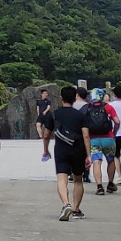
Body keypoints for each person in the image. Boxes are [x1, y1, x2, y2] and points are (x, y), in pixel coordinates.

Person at [42, 86, 97, 221]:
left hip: (61, 150)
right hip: (78, 151)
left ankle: (66, 203)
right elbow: (86, 136)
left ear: (61, 98)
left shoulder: (53, 114)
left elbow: (46, 135)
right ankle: (76, 210)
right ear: (75, 98)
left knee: (62, 178)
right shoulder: (81, 116)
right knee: (78, 180)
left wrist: (45, 149)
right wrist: (89, 155)